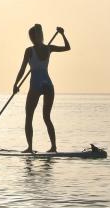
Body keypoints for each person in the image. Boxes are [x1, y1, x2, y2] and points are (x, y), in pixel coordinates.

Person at [13, 24, 70, 153]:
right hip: (48, 84)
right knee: (47, 117)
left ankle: (30, 148)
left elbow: (22, 69)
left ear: (32, 38)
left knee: (29, 117)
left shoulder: (29, 50)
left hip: (36, 84)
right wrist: (62, 34)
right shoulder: (49, 48)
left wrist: (15, 84)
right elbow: (68, 47)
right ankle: (54, 147)